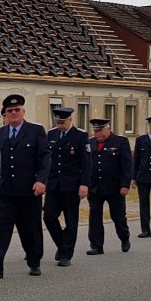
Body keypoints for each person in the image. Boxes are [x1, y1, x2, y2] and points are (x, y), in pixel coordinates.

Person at [0, 94, 50, 278]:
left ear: (23, 111)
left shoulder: (36, 131)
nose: (13, 113)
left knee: (30, 228)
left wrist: (41, 180)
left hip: (29, 190)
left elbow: (44, 158)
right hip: (5, 191)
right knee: (0, 229)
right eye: (10, 111)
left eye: (17, 110)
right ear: (5, 114)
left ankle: (34, 261)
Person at [44, 105, 90, 266]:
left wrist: (84, 184)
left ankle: (66, 254)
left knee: (71, 220)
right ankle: (62, 244)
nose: (60, 125)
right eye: (58, 122)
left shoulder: (81, 136)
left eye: (63, 122)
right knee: (49, 216)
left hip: (71, 184)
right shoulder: (51, 134)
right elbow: (47, 159)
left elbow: (86, 163)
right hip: (53, 184)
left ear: (70, 120)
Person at [85, 118, 132, 254]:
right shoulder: (90, 142)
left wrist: (125, 185)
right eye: (95, 131)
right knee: (94, 217)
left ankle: (124, 238)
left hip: (115, 187)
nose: (98, 134)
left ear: (108, 129)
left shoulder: (120, 142)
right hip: (95, 187)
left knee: (117, 216)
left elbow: (127, 165)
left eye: (100, 131)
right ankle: (96, 245)